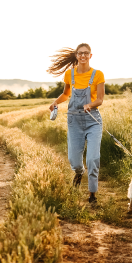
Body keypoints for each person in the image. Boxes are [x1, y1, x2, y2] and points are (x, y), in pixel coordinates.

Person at [48, 43, 105, 203]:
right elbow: (66, 94)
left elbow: (99, 99)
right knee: (74, 159)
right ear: (76, 55)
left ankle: (92, 194)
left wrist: (90, 104)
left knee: (93, 159)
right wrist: (55, 103)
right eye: (80, 53)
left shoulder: (98, 75)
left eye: (86, 53)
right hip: (74, 121)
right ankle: (79, 172)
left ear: (90, 56)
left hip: (93, 120)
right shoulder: (69, 75)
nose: (83, 56)